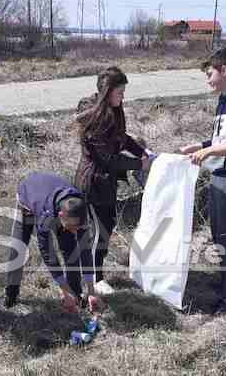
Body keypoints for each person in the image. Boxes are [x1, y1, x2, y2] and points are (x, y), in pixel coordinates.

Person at [179, 48, 226, 314]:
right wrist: (199, 145)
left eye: (210, 74)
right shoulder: (224, 100)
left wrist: (209, 151)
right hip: (219, 175)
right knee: (218, 237)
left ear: (224, 70)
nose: (208, 80)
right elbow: (222, 139)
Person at [73, 67, 151, 295]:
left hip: (105, 182)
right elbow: (107, 158)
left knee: (106, 226)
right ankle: (95, 279)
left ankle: (90, 272)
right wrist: (139, 165)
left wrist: (141, 152)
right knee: (101, 230)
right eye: (120, 92)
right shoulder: (94, 114)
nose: (123, 96)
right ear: (107, 92)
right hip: (93, 181)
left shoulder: (113, 110)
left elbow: (122, 138)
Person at [4, 172, 104, 314]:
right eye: (72, 227)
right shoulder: (46, 216)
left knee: (71, 250)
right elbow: (48, 254)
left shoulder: (79, 209)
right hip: (28, 201)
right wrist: (64, 290)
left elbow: (85, 250)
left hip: (55, 202)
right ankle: (11, 295)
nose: (75, 231)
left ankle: (76, 296)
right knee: (17, 251)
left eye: (78, 227)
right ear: (61, 216)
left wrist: (91, 290)